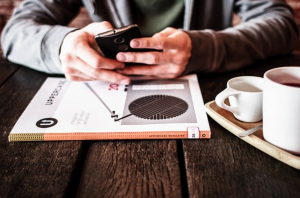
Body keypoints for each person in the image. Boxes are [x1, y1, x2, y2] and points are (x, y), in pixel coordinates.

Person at [1, 0, 299, 84]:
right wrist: (61, 45)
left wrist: (203, 49)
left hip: (213, 96)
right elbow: (16, 31)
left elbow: (282, 23)